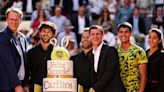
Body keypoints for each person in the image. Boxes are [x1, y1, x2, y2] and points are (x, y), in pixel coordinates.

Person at [88, 25, 125, 92]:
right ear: (90, 37)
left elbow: (109, 72)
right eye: (93, 34)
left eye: (98, 34)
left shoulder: (111, 50)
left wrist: (95, 88)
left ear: (102, 35)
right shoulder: (90, 54)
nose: (95, 36)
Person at [0, 7, 29, 92]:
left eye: (17, 19)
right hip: (7, 86)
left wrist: (25, 84)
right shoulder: (2, 37)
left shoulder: (23, 38)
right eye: (11, 19)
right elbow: (8, 64)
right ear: (7, 20)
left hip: (21, 83)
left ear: (21, 20)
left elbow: (24, 62)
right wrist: (17, 85)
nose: (14, 22)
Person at [117, 22, 147, 92]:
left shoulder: (139, 51)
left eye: (126, 32)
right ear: (118, 33)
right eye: (121, 32)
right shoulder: (115, 51)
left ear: (131, 33)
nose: (123, 34)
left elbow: (144, 76)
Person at [27, 21, 57, 92]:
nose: (46, 33)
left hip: (53, 88)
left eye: (49, 32)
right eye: (44, 31)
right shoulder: (31, 52)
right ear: (39, 33)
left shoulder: (57, 52)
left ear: (53, 35)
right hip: (35, 87)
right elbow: (26, 72)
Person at [70, 27, 92, 92]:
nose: (85, 39)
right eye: (83, 37)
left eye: (88, 37)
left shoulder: (99, 57)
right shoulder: (73, 59)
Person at [145, 28, 164, 92]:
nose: (151, 40)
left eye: (154, 38)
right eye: (150, 37)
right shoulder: (144, 53)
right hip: (144, 87)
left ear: (159, 40)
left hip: (156, 88)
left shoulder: (162, 55)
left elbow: (163, 77)